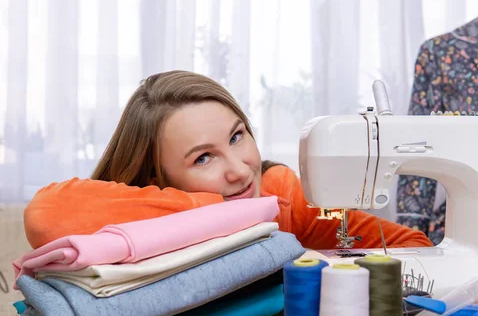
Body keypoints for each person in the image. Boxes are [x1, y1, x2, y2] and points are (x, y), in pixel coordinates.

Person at [24, 70, 432, 251]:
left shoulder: (282, 196)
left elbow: (415, 247)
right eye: (204, 158)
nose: (239, 169)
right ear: (156, 178)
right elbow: (46, 215)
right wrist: (214, 213)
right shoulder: (135, 214)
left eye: (237, 136)